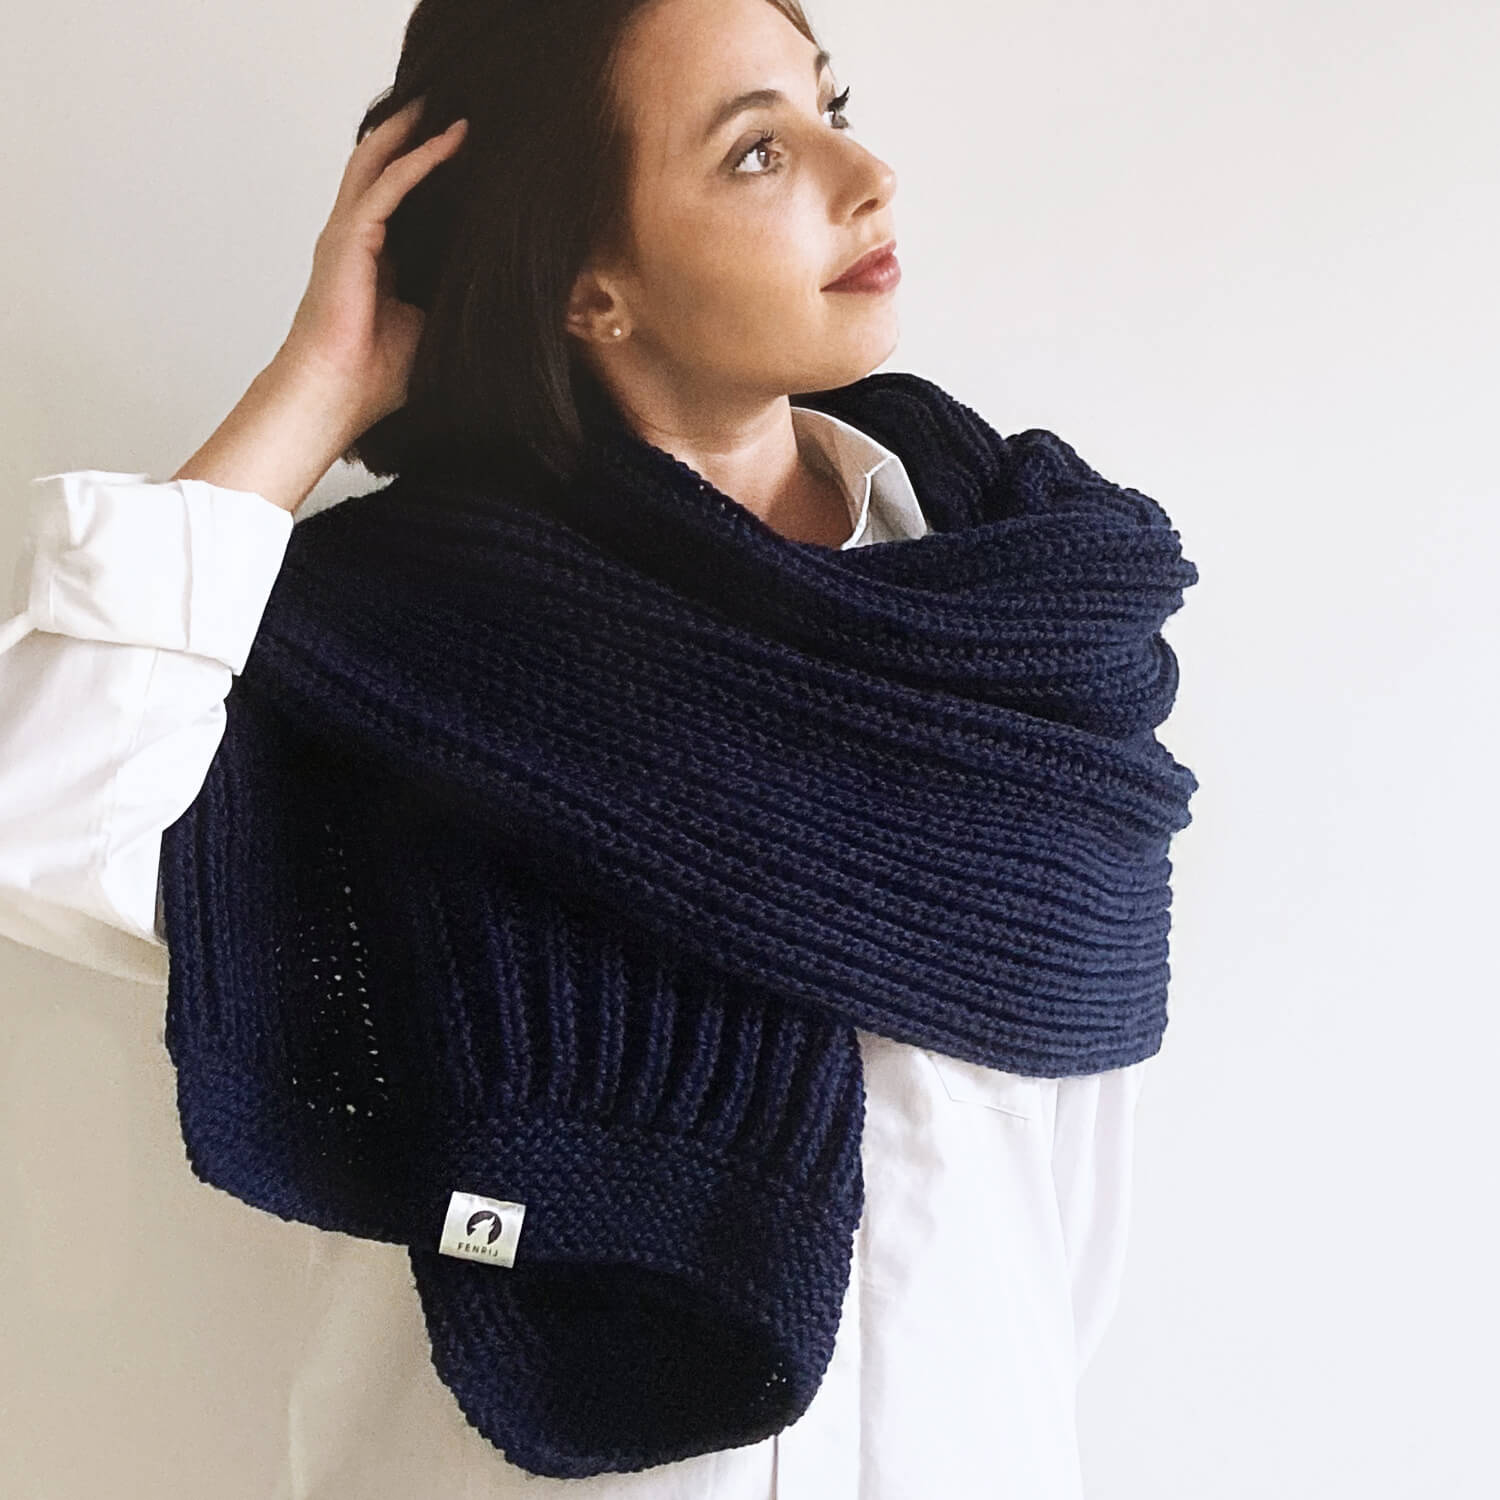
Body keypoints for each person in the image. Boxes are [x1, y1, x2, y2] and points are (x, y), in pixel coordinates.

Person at [0, 0, 1158, 1493]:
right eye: (756, 151)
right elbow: (40, 817)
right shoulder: (397, 650)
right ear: (587, 287)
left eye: (831, 107)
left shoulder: (1030, 628)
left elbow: (1062, 1216)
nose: (868, 177)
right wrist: (320, 385)